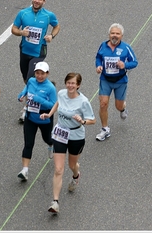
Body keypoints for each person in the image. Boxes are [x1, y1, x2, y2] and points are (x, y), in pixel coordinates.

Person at [40, 73, 96, 214]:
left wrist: (82, 121)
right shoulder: (61, 93)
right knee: (58, 169)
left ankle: (76, 175)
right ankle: (55, 202)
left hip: (76, 135)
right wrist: (49, 114)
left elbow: (92, 120)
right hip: (60, 133)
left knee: (72, 165)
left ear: (78, 85)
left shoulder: (83, 101)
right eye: (68, 83)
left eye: (73, 83)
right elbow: (58, 103)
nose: (70, 86)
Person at [11, 0, 60, 122]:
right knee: (26, 78)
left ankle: (27, 108)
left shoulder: (48, 15)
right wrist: (21, 32)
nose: (37, 1)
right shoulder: (23, 13)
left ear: (44, 1)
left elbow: (57, 26)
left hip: (39, 52)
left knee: (31, 77)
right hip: (25, 50)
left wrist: (51, 36)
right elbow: (13, 29)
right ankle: (42, 87)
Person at [95, 23, 138, 141]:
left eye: (117, 34)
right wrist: (98, 66)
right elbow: (98, 57)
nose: (115, 36)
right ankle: (105, 129)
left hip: (120, 81)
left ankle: (123, 108)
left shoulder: (126, 48)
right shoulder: (103, 46)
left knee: (118, 106)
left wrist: (125, 65)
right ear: (109, 35)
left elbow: (134, 62)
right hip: (105, 80)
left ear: (122, 36)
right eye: (112, 33)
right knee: (103, 104)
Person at [17, 61, 57, 181]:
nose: (39, 76)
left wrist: (38, 99)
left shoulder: (50, 88)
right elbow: (26, 89)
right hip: (30, 118)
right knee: (28, 144)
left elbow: (53, 105)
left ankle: (51, 144)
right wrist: (22, 95)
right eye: (37, 73)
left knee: (47, 138)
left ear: (47, 73)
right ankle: (25, 170)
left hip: (44, 119)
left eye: (42, 74)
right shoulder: (31, 81)